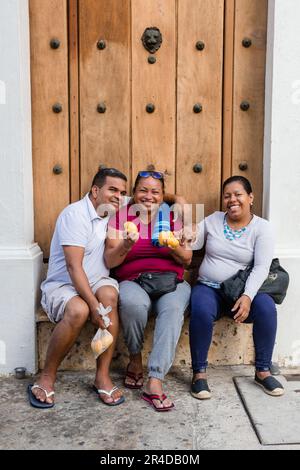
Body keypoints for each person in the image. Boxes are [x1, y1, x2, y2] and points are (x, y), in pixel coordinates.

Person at [28, 168, 128, 408]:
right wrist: (94, 307)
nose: (119, 196)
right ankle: (46, 377)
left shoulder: (113, 216)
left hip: (96, 281)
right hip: (64, 284)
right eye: (112, 189)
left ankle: (102, 376)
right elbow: (74, 267)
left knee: (109, 296)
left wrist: (126, 245)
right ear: (95, 191)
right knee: (79, 310)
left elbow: (111, 262)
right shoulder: (75, 215)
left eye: (123, 193)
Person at [189, 175, 284, 399]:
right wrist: (186, 232)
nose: (232, 200)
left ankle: (262, 371)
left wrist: (248, 296)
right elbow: (194, 242)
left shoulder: (262, 228)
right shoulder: (213, 220)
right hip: (209, 288)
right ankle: (199, 375)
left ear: (250, 198)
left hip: (241, 292)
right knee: (200, 309)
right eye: (227, 196)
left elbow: (261, 267)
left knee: (267, 308)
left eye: (238, 194)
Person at [105, 171, 192, 411]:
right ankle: (135, 358)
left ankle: (155, 381)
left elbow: (186, 259)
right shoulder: (119, 218)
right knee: (134, 304)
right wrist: (126, 244)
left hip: (171, 282)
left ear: (163, 196)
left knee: (173, 309)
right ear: (134, 193)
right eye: (143, 190)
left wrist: (172, 245)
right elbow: (110, 261)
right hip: (133, 280)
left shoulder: (173, 217)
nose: (149, 196)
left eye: (155, 191)